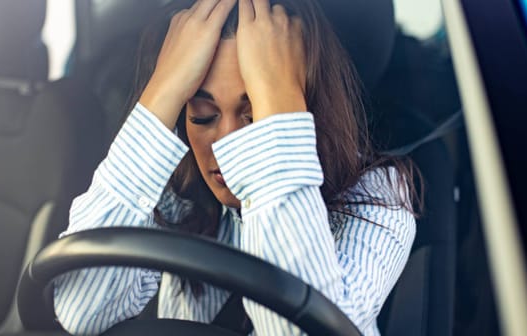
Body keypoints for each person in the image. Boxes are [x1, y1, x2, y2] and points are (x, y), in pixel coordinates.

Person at [53, 0, 419, 335]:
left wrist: (276, 102)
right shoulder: (178, 193)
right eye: (203, 116)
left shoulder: (378, 201)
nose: (226, 145)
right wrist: (161, 92)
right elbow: (81, 310)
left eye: (254, 115)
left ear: (305, 109)